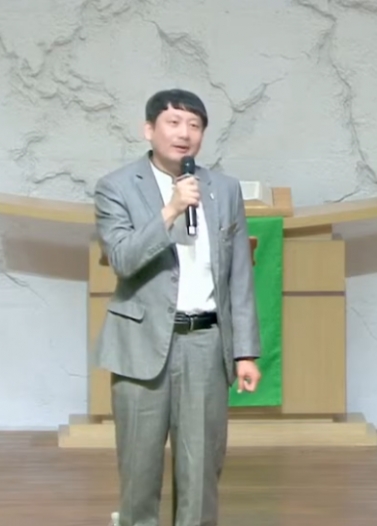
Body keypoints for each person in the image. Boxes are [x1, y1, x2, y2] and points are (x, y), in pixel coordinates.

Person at [93, 88, 262, 526]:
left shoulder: (224, 189)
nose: (184, 133)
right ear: (149, 130)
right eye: (173, 123)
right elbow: (123, 259)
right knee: (138, 470)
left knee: (201, 469)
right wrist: (169, 210)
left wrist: (245, 352)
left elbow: (239, 275)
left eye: (194, 125)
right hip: (141, 343)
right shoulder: (115, 187)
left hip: (205, 342)